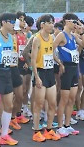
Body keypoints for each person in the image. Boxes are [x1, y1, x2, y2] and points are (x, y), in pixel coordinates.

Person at [53, 13, 84, 136]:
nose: (75, 24)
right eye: (74, 22)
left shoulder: (72, 36)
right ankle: (60, 126)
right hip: (66, 68)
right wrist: (59, 63)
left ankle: (67, 125)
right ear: (67, 21)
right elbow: (51, 48)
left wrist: (82, 32)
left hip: (74, 68)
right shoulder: (61, 35)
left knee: (71, 99)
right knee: (64, 99)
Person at [31, 14, 61, 142]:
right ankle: (36, 131)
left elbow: (50, 52)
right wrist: (36, 77)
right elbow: (33, 59)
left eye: (53, 22)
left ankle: (49, 130)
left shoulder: (51, 38)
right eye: (49, 22)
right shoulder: (36, 39)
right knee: (39, 103)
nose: (52, 25)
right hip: (41, 73)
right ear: (42, 24)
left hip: (50, 73)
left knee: (52, 103)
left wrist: (59, 62)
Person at [0, 12, 18, 145]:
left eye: (14, 21)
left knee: (9, 104)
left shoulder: (11, 37)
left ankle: (4, 134)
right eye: (11, 21)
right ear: (3, 22)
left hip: (7, 71)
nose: (13, 23)